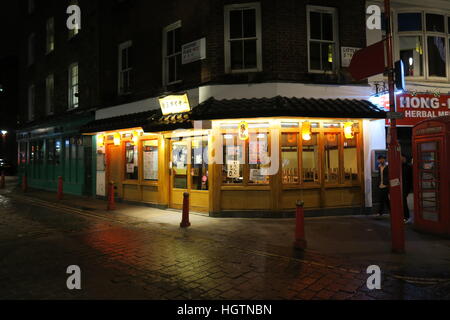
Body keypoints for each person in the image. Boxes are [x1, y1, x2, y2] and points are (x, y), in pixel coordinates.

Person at [402, 155, 413, 223]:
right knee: (401, 202)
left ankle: (407, 216)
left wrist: (411, 187)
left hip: (406, 186)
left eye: (402, 158)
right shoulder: (398, 166)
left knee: (403, 201)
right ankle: (404, 216)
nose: (401, 159)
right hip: (400, 186)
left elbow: (411, 177)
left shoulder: (409, 167)